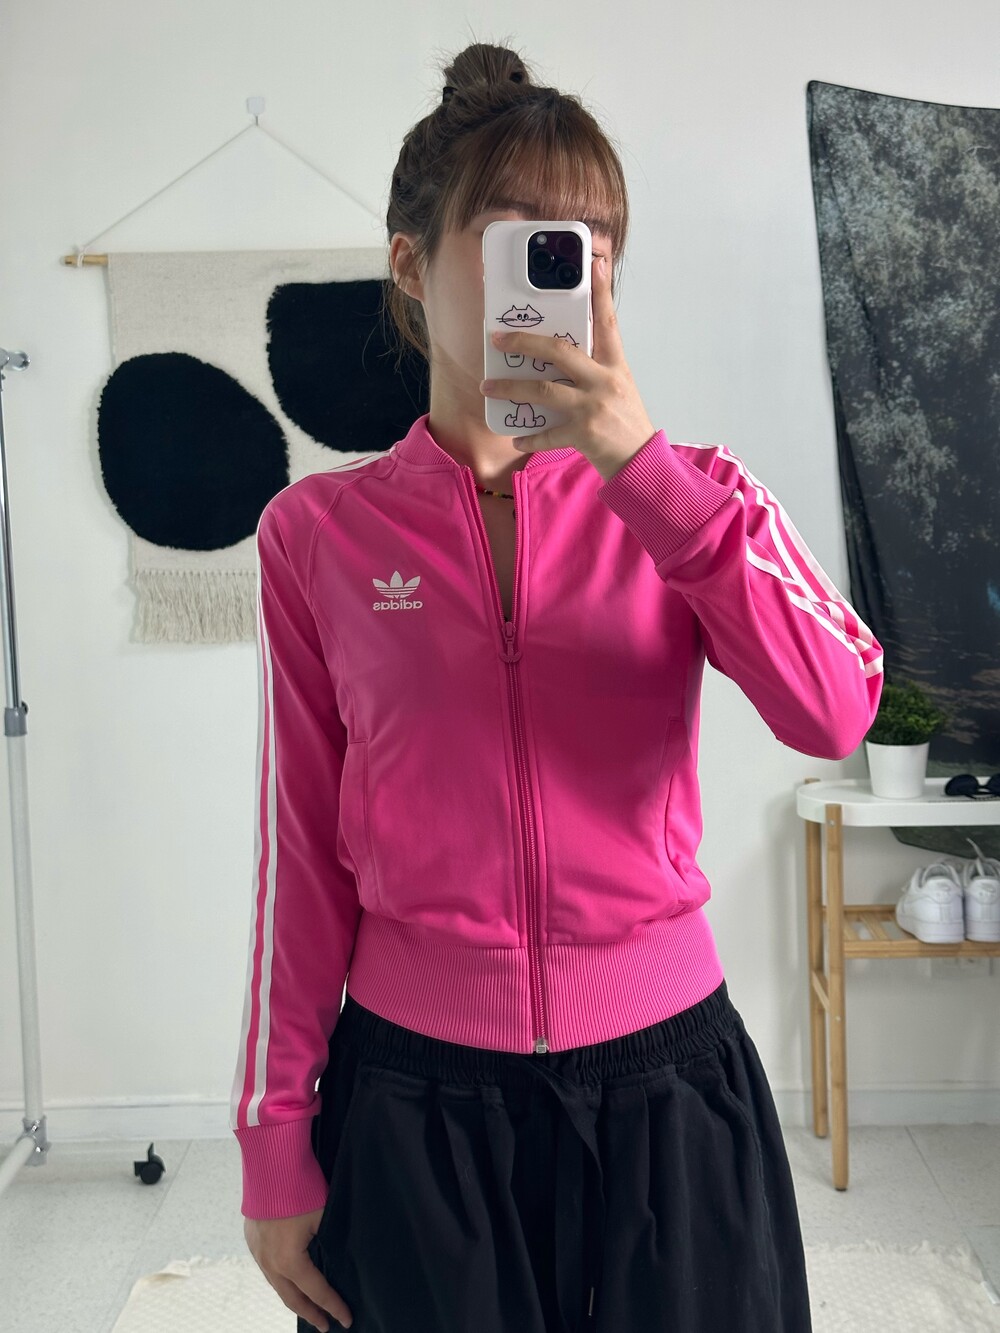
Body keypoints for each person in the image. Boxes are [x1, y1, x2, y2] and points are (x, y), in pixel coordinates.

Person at [231, 40, 884, 1333]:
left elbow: (834, 707)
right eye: (521, 241)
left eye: (588, 248)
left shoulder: (700, 497)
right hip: (416, 1101)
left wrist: (644, 475)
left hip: (668, 1089)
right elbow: (297, 858)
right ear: (412, 265)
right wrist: (274, 1137)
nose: (560, 278)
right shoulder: (317, 535)